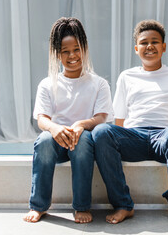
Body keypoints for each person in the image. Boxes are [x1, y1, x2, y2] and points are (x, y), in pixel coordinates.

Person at [92, 19, 168, 225]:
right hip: (134, 137)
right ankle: (123, 205)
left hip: (165, 137)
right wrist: (114, 144)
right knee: (101, 131)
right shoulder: (126, 76)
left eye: (155, 42)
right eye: (144, 42)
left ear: (164, 47)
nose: (149, 46)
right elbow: (119, 118)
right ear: (136, 48)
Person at [23, 17, 113, 224]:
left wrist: (81, 125)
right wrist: (54, 129)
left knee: (81, 142)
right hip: (57, 141)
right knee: (44, 142)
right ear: (57, 54)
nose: (72, 55)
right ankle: (38, 205)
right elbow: (42, 119)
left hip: (83, 142)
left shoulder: (99, 84)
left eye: (77, 49)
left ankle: (81, 206)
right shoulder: (47, 84)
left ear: (85, 48)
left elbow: (101, 117)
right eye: (65, 51)